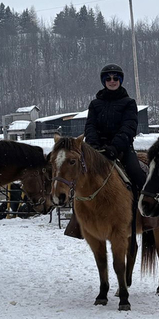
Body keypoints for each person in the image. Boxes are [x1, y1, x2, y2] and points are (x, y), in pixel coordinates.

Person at [64, 63, 145, 239]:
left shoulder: (129, 103)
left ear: (120, 80)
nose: (112, 81)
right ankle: (78, 223)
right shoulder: (95, 104)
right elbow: (90, 126)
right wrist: (94, 146)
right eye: (108, 78)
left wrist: (114, 147)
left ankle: (148, 218)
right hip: (97, 151)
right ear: (103, 81)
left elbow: (129, 127)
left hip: (122, 149)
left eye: (116, 78)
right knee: (78, 179)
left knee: (138, 175)